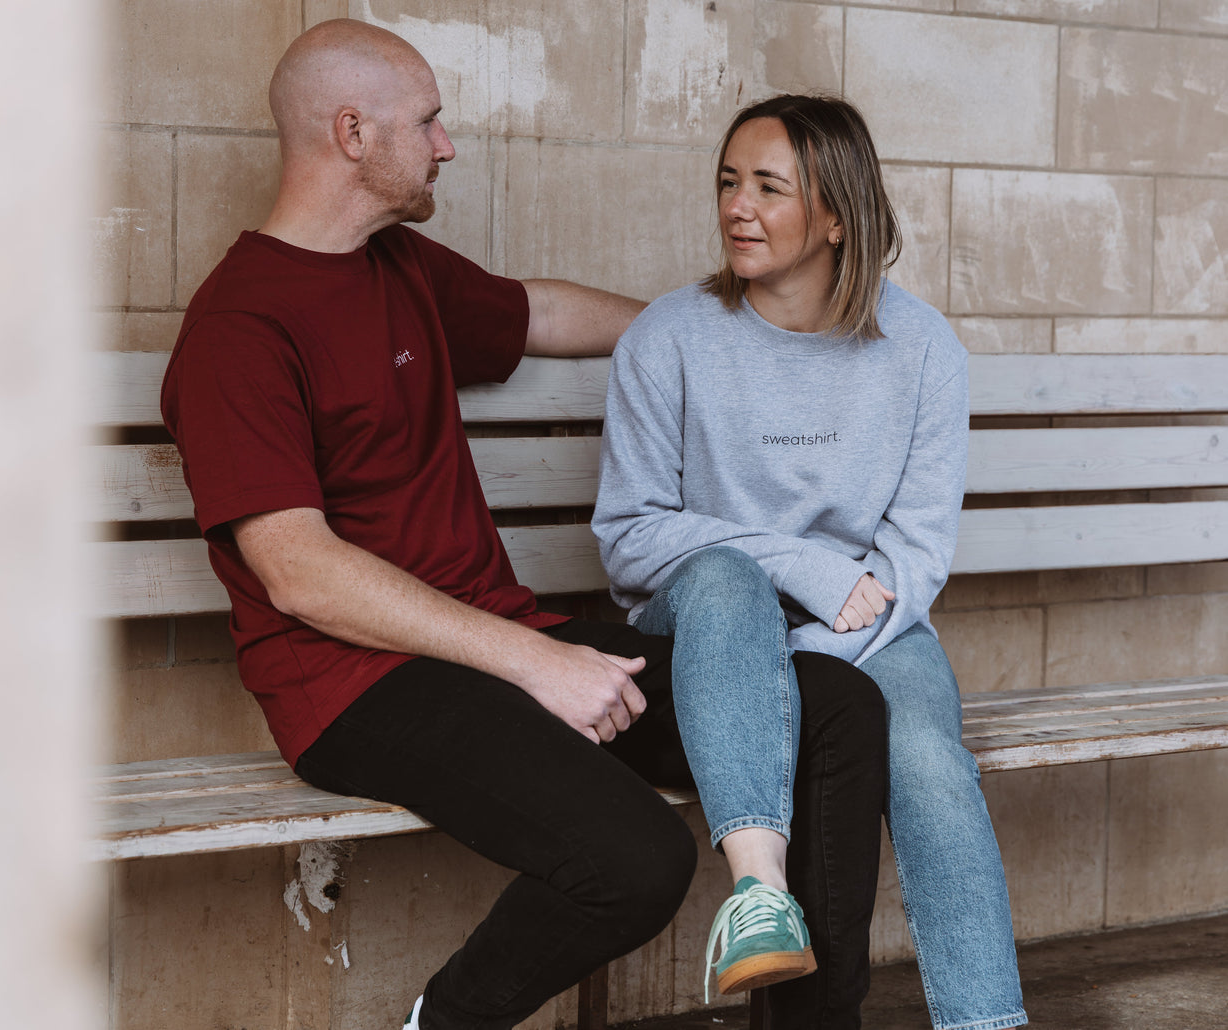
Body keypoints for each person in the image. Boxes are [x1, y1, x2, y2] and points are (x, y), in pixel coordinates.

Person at [161, 21, 886, 1030]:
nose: (447, 145)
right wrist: (536, 663)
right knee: (633, 860)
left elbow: (536, 313)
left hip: (499, 639)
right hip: (354, 683)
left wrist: (718, 336)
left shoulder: (396, 266)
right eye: (427, 123)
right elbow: (299, 573)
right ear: (352, 133)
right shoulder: (240, 328)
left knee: (834, 708)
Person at [593, 93, 1028, 1030]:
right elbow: (629, 536)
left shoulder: (921, 347)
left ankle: (987, 1022)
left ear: (835, 216)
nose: (736, 208)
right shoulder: (668, 337)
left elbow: (915, 548)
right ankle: (758, 903)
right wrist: (800, 568)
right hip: (705, 618)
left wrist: (821, 647)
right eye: (727, 183)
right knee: (726, 578)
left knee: (928, 760)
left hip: (866, 625)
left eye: (768, 188)